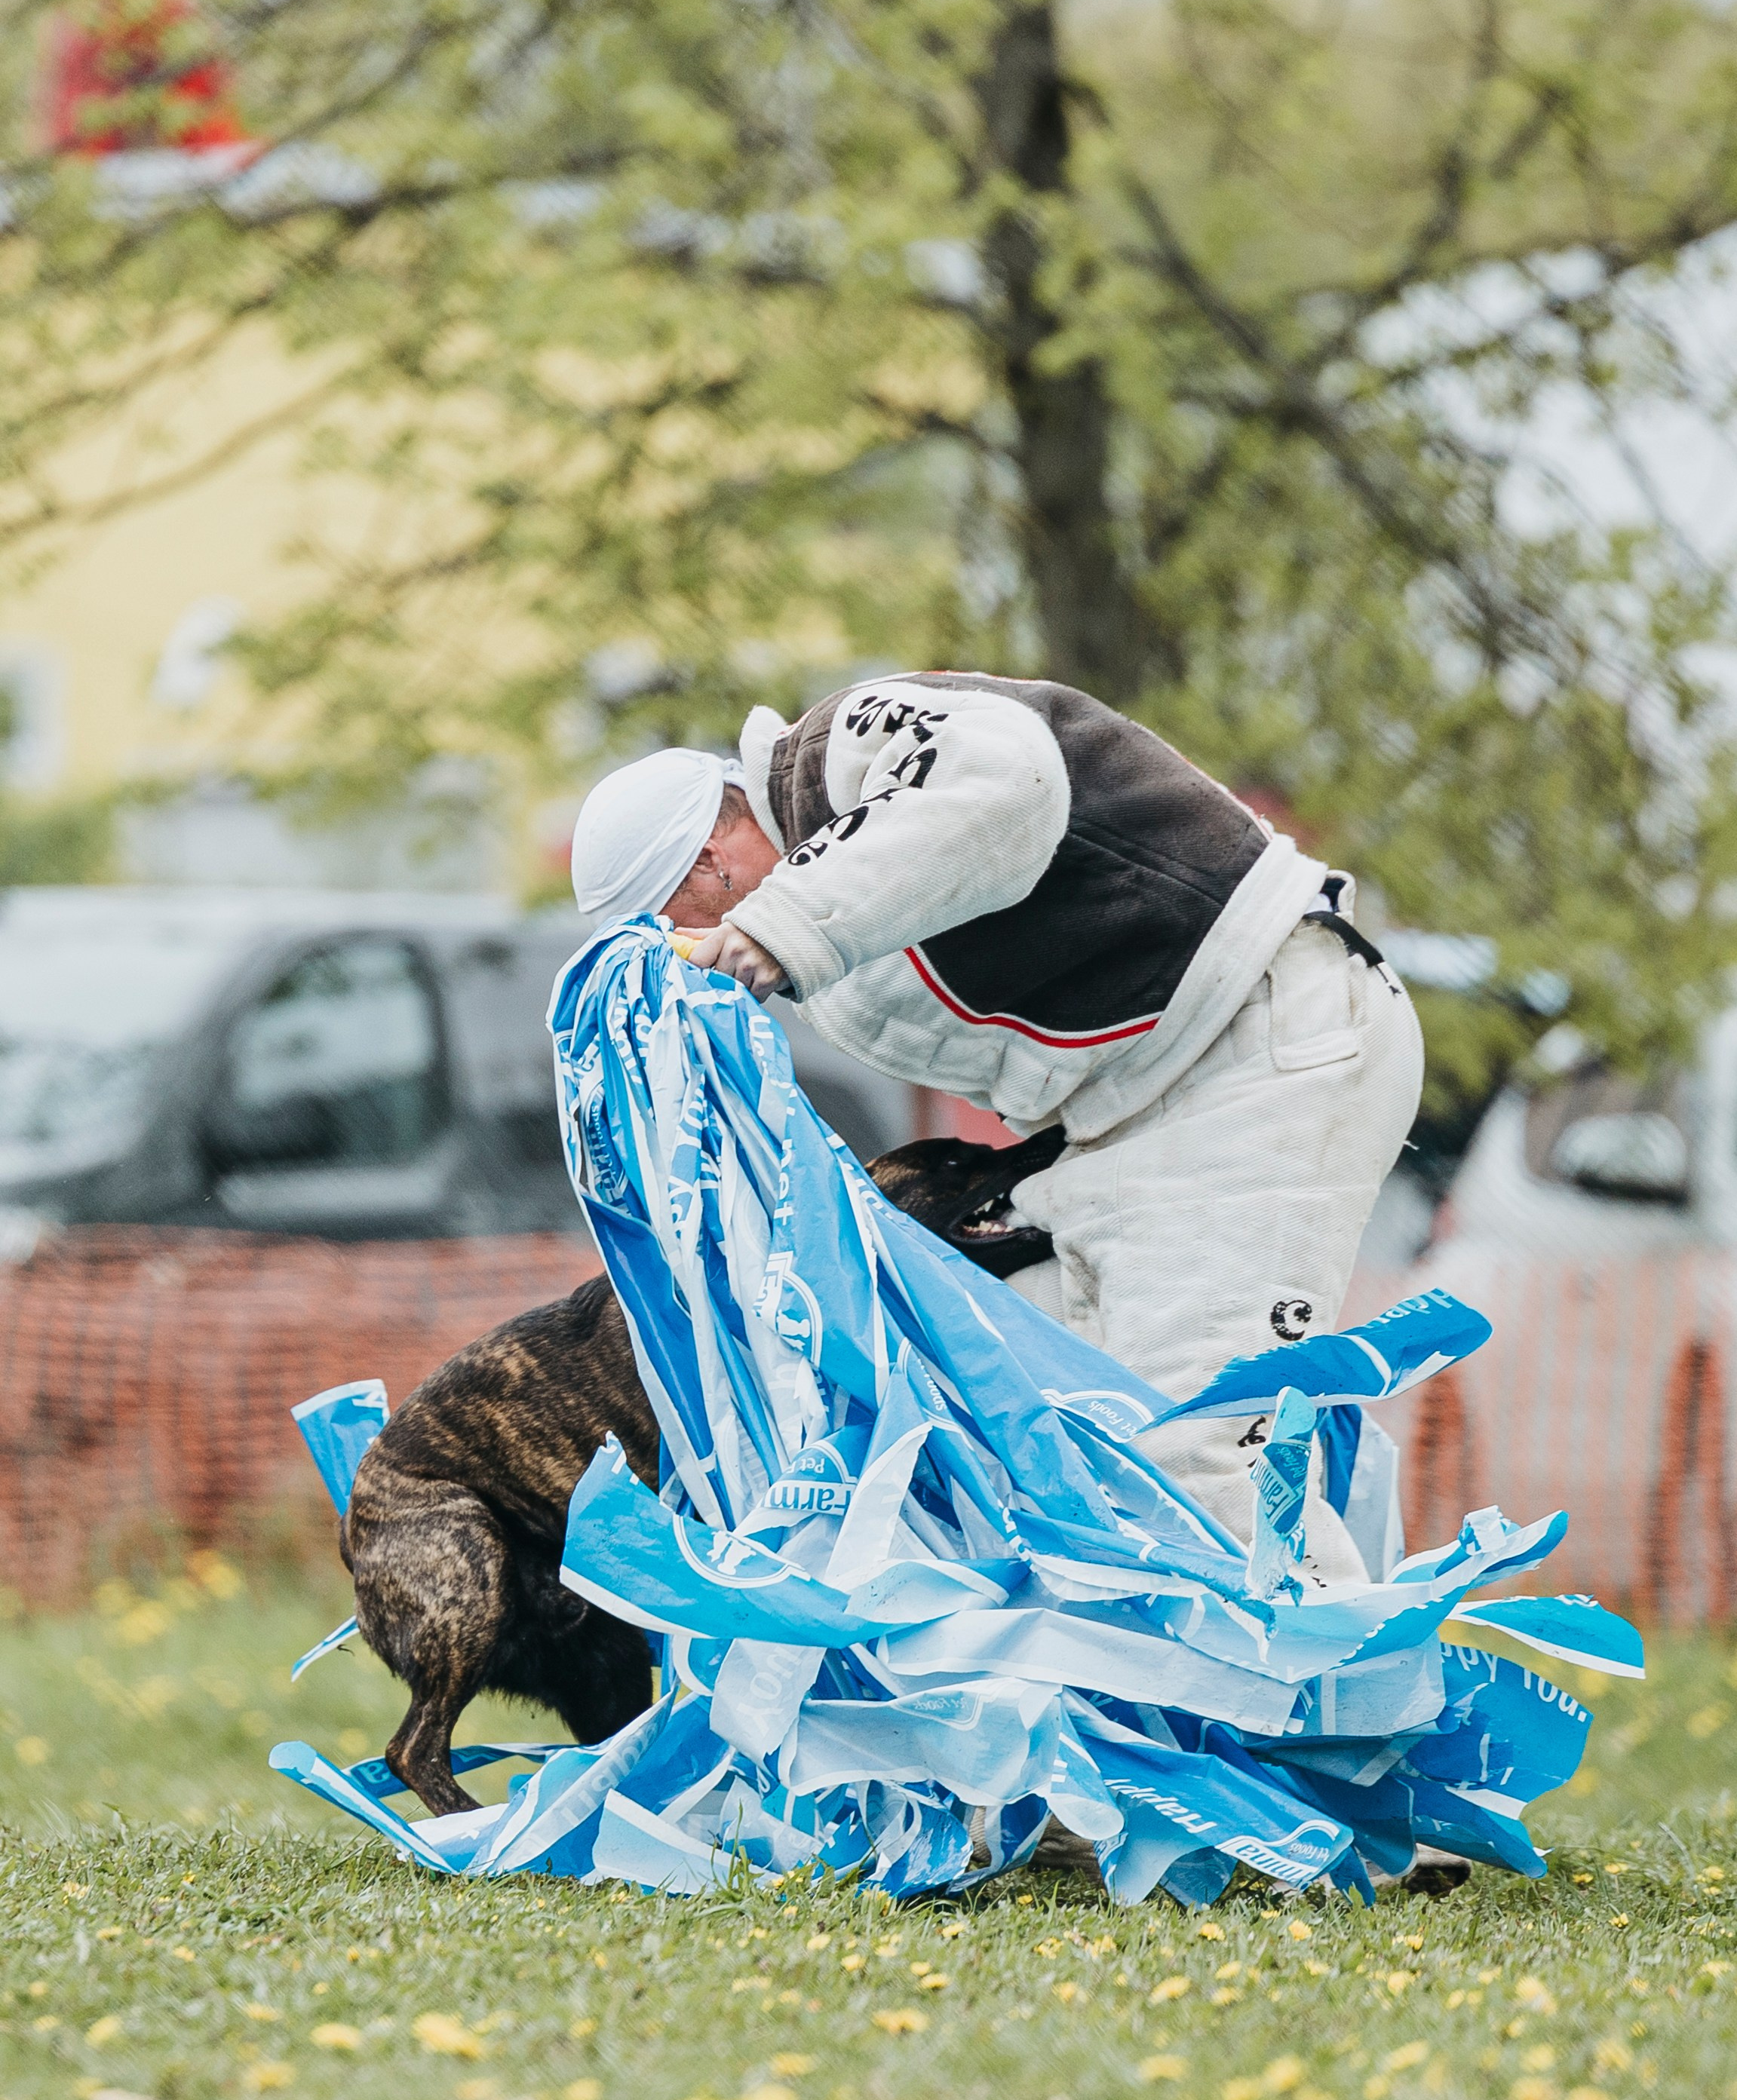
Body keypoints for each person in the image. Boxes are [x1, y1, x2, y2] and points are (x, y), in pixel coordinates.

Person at [568, 673, 1423, 1577]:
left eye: (680, 928)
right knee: (1030, 1428)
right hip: (1131, 1115)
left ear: (711, 860)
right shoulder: (817, 898)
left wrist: (779, 921)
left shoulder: (839, 753)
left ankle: (1334, 1712)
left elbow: (1012, 780)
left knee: (1198, 1462)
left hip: (1262, 1044)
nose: (701, 953)